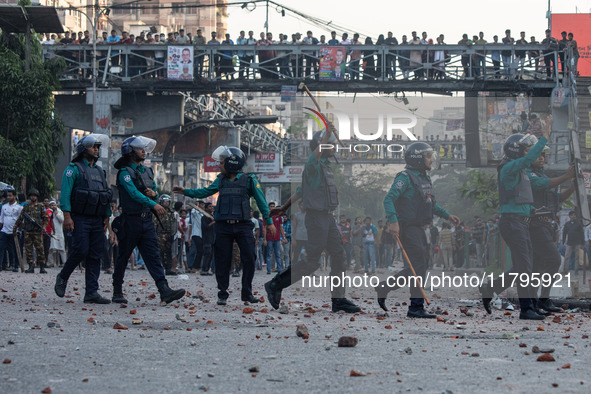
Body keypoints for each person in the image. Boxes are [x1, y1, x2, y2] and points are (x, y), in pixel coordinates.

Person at [263, 125, 361, 314]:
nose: (334, 148)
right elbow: (315, 158)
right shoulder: (313, 164)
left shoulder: (324, 168)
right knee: (312, 261)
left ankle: (338, 300)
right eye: (330, 145)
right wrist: (327, 137)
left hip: (328, 218)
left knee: (339, 256)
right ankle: (275, 285)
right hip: (316, 218)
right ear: (322, 146)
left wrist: (283, 208)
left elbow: (301, 191)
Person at [173, 146, 275, 305]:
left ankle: (246, 293)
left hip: (243, 226)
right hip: (223, 227)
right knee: (222, 260)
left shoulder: (249, 180)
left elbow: (262, 202)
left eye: (221, 163)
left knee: (249, 258)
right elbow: (204, 192)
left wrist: (269, 222)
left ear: (232, 163)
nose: (219, 166)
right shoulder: (220, 180)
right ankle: (222, 293)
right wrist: (186, 191)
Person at [378, 142, 460, 318]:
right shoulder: (405, 178)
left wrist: (448, 216)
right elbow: (389, 199)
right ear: (417, 159)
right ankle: (415, 307)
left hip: (421, 228)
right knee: (418, 265)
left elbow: (431, 204)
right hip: (408, 228)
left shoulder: (425, 178)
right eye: (427, 156)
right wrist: (393, 221)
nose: (431, 160)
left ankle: (388, 288)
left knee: (421, 266)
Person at [480, 122, 552, 320]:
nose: (531, 154)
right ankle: (526, 309)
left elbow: (516, 198)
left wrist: (533, 210)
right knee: (525, 267)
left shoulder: (518, 171)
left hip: (521, 221)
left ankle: (492, 288)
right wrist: (545, 137)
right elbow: (529, 158)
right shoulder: (510, 167)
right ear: (517, 151)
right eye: (527, 150)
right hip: (513, 223)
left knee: (523, 266)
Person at [112, 136, 186, 305]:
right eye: (139, 149)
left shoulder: (147, 171)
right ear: (130, 152)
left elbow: (154, 190)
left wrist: (155, 196)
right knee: (123, 257)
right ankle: (117, 290)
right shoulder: (125, 173)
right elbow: (133, 194)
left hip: (146, 221)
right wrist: (153, 204)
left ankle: (164, 290)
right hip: (130, 221)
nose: (143, 151)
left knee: (153, 257)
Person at [53, 134, 112, 303]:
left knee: (95, 254)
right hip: (79, 218)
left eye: (98, 147)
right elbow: (65, 194)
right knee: (81, 250)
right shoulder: (73, 169)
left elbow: (105, 195)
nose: (96, 149)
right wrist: (67, 216)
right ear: (82, 149)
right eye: (93, 146)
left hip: (97, 219)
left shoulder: (100, 171)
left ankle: (91, 292)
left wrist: (107, 215)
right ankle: (63, 277)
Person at [528, 149, 575, 312]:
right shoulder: (527, 173)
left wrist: (572, 186)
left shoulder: (543, 175)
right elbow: (541, 185)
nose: (541, 158)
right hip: (534, 225)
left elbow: (557, 197)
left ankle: (535, 301)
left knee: (538, 265)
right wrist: (566, 177)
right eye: (538, 155)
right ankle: (542, 299)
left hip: (546, 225)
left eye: (543, 156)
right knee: (554, 260)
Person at [15, 188, 48, 274]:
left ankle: (42, 267)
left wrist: (44, 226)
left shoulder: (41, 207)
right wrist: (15, 226)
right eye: (31, 196)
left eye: (34, 196)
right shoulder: (26, 207)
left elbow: (45, 218)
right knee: (28, 250)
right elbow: (20, 218)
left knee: (40, 249)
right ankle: (30, 266)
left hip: (37, 231)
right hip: (28, 231)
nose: (33, 197)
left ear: (36, 197)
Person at [153, 194, 178, 276]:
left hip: (169, 235)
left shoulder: (171, 213)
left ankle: (168, 269)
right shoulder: (158, 211)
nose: (166, 203)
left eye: (168, 201)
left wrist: (173, 234)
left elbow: (174, 224)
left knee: (168, 252)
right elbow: (154, 223)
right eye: (165, 201)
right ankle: (158, 269)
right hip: (160, 234)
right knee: (160, 252)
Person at [0, 188, 22, 272]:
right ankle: (1, 265)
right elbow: (1, 219)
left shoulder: (19, 207)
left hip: (14, 232)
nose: (8, 197)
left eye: (10, 195)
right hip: (4, 231)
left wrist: (19, 230)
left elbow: (21, 220)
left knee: (15, 249)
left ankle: (15, 266)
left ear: (14, 196)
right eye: (7, 196)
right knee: (1, 248)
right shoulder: (4, 207)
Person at [562, 210, 585, 275]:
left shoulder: (578, 223)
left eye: (574, 215)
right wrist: (563, 243)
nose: (573, 216)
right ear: (569, 216)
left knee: (577, 257)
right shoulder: (567, 224)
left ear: (575, 216)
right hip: (569, 243)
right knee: (567, 256)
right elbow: (564, 233)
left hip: (578, 242)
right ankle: (565, 271)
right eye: (571, 215)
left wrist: (582, 243)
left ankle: (576, 271)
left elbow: (582, 233)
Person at [48, 201, 66, 268]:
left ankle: (64, 262)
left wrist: (57, 214)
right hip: (52, 232)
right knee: (51, 248)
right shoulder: (49, 212)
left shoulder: (59, 211)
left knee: (62, 248)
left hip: (59, 232)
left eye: (54, 205)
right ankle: (51, 262)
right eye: (51, 205)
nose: (53, 206)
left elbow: (62, 220)